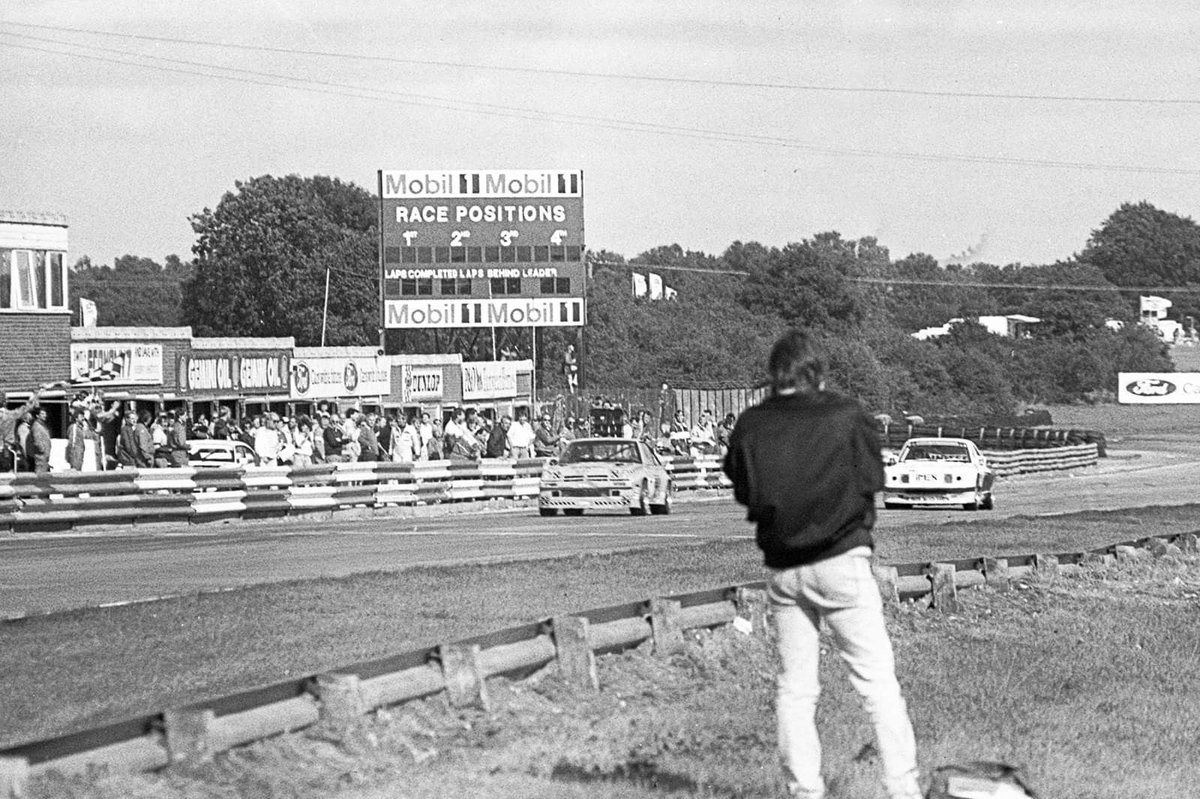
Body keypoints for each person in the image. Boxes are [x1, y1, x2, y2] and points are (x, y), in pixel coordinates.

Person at [722, 330, 921, 799]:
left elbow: (742, 488)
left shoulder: (752, 423)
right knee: (877, 686)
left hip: (784, 571)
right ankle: (903, 789)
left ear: (774, 375)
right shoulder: (848, 415)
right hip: (842, 559)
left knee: (796, 690)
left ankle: (805, 792)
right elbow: (872, 482)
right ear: (818, 372)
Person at [0, 389, 40, 473]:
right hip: (7, 451)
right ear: (5, 402)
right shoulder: (11, 415)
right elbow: (28, 406)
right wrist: (36, 394)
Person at [29, 407, 52, 475]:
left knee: (44, 472)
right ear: (37, 416)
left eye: (45, 413)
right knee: (40, 474)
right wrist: (42, 449)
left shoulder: (43, 425)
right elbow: (37, 440)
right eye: (42, 414)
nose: (45, 415)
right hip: (41, 455)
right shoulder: (36, 426)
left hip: (45, 454)